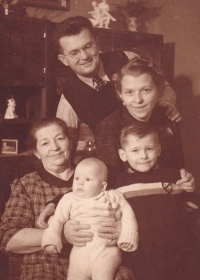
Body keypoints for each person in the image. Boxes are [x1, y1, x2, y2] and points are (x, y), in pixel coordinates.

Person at [0, 117, 133, 280]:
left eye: (60, 139)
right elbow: (7, 238)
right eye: (45, 143)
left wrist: (121, 229)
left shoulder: (97, 176)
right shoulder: (27, 185)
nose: (54, 147)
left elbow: (123, 213)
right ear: (36, 152)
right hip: (47, 267)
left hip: (102, 260)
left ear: (71, 142)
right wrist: (61, 234)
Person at [54, 16, 180, 140]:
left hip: (157, 143)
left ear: (97, 44)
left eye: (88, 47)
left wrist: (165, 104)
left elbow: (164, 88)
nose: (84, 56)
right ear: (64, 60)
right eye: (74, 53)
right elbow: (66, 142)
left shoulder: (126, 59)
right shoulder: (68, 98)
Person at [115, 121, 200, 280]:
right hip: (143, 254)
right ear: (123, 155)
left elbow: (193, 202)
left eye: (149, 149)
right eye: (135, 150)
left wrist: (191, 198)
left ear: (158, 150)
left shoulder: (172, 176)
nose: (143, 156)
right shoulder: (119, 183)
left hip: (179, 250)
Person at [95, 57, 195, 187]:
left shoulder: (168, 119)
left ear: (159, 91)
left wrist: (186, 181)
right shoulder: (108, 127)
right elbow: (110, 183)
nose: (138, 100)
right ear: (120, 95)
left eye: (146, 90)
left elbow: (177, 169)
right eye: (129, 92)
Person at [42, 158, 138, 280]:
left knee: (103, 275)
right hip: (79, 254)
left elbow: (128, 215)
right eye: (77, 178)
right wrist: (51, 239)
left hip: (106, 252)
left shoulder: (113, 196)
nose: (80, 183)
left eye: (87, 179)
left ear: (103, 186)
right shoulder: (68, 199)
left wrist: (128, 236)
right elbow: (57, 220)